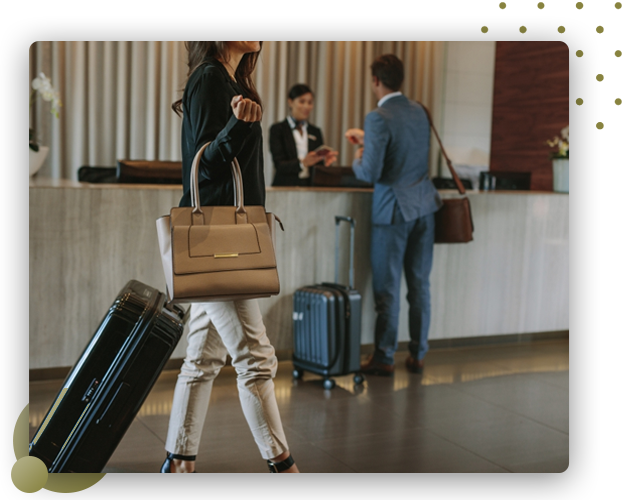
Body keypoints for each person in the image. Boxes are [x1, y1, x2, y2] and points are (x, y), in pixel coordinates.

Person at [164, 41, 299, 473]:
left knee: (201, 360)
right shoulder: (209, 78)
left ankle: (178, 461)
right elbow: (204, 165)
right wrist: (239, 126)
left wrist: (240, 124)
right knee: (257, 361)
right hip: (220, 245)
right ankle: (283, 465)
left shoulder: (229, 80)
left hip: (222, 243)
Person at [345, 54, 443, 377]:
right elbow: (407, 152)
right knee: (419, 285)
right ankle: (418, 354)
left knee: (387, 289)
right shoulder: (420, 111)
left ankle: (385, 356)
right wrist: (369, 140)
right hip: (425, 208)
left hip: (393, 212)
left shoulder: (378, 117)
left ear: (376, 81)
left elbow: (371, 172)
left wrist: (359, 156)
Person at [269, 83, 338, 186]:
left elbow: (317, 167)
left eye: (310, 102)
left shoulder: (315, 131)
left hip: (310, 187)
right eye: (302, 101)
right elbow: (279, 164)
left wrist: (325, 163)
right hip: (285, 186)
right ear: (290, 102)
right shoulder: (278, 129)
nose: (306, 106)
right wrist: (303, 163)